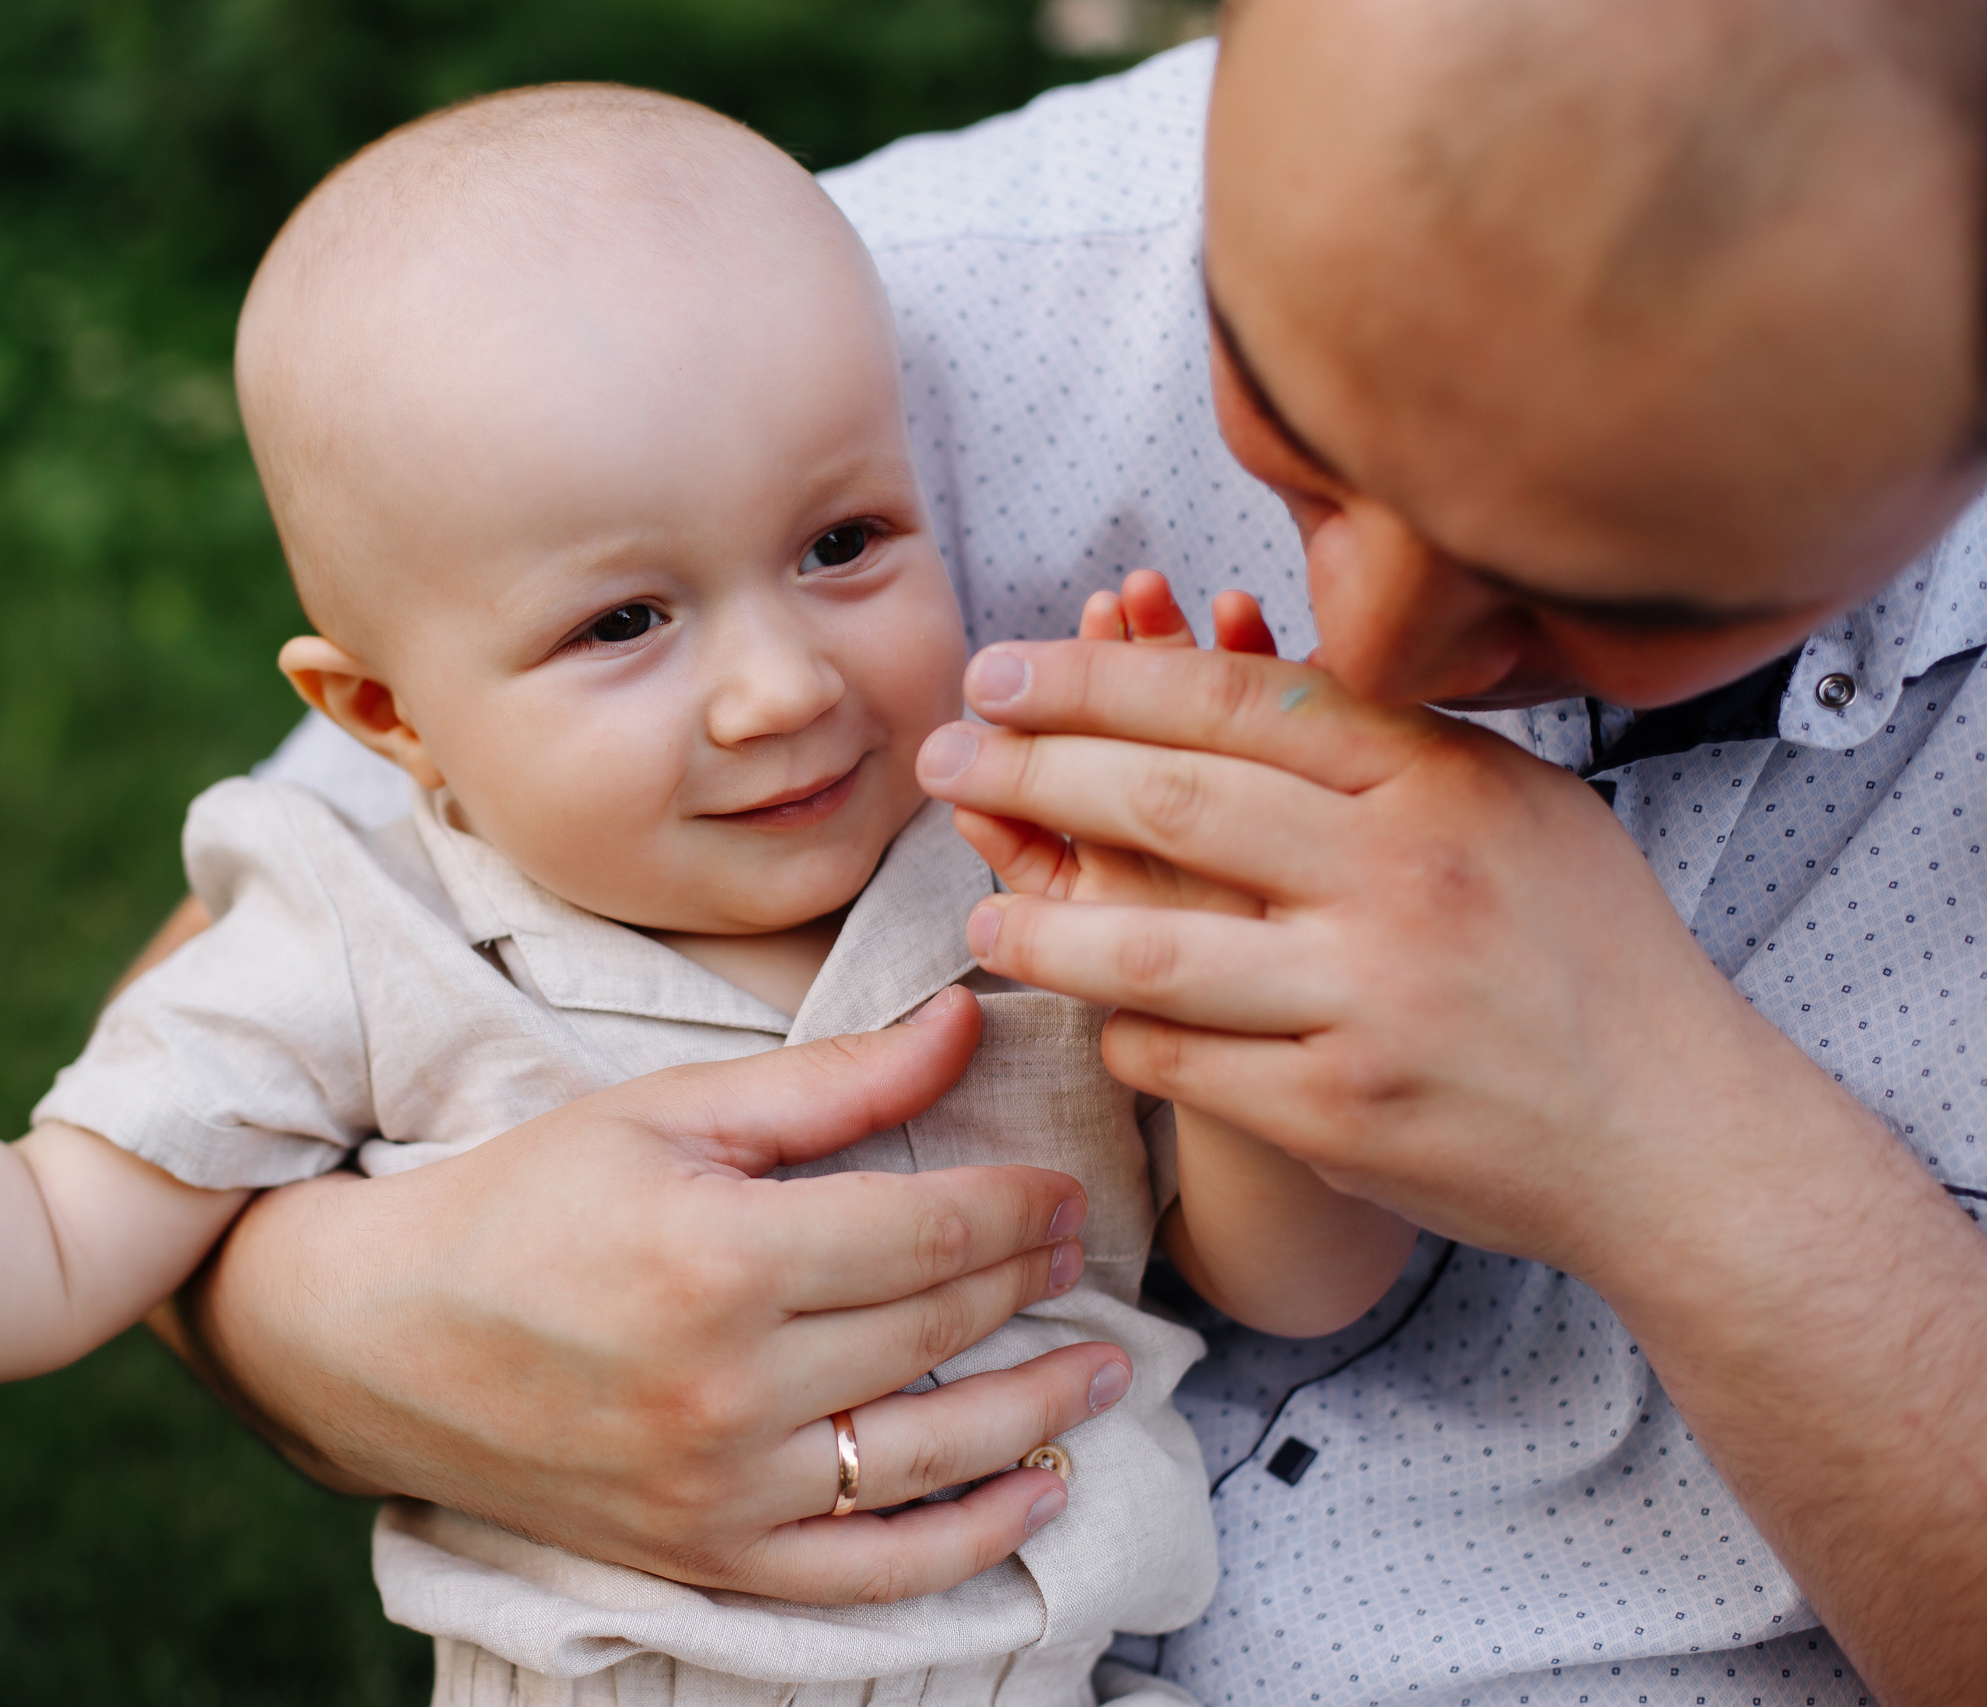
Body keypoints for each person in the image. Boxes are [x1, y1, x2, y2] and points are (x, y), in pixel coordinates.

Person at [0, 88, 1423, 1706]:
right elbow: (47, 1234)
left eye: (839, 540)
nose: (778, 680)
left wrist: (1217, 1001)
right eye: (625, 618)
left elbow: (1288, 1283)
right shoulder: (354, 926)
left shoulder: (1026, 867)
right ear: (388, 715)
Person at [125, 6, 1987, 1705]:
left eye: (1609, 587)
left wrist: (1682, 1153)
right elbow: (278, 951)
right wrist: (356, 1325)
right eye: (1293, 431)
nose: (1385, 657)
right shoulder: (831, 302)